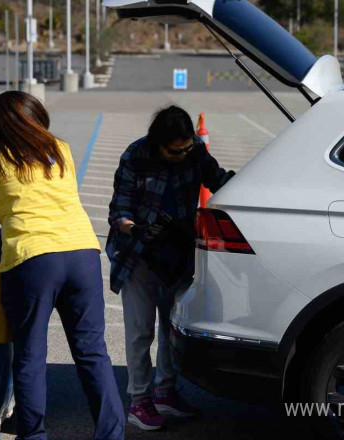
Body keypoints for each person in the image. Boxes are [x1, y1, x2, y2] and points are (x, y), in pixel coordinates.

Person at [0, 91, 125, 440]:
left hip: (32, 259)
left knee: (31, 353)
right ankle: (112, 434)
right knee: (93, 352)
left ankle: (34, 435)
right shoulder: (58, 148)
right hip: (83, 252)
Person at [106, 105, 235, 431]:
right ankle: (139, 401)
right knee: (140, 332)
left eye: (186, 148)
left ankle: (166, 393)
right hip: (140, 256)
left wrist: (253, 185)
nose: (182, 155)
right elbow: (118, 210)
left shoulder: (196, 152)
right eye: (174, 151)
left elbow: (221, 181)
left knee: (172, 329)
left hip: (178, 254)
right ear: (159, 143)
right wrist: (135, 229)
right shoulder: (136, 155)